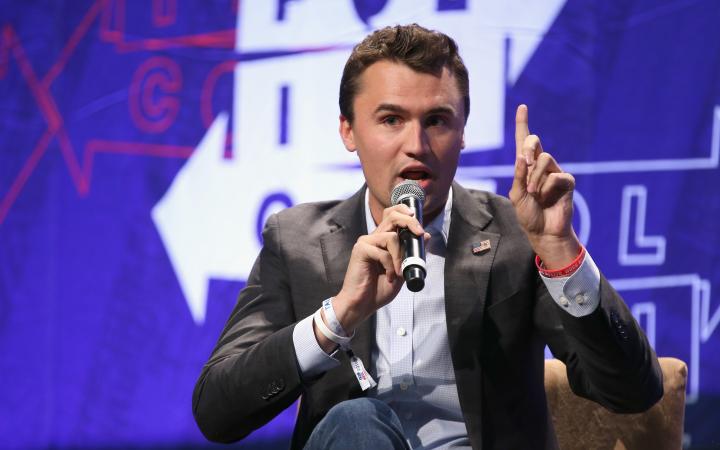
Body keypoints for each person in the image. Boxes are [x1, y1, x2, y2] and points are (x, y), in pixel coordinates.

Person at [192, 24, 663, 450]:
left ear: (462, 134)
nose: (416, 145)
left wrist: (560, 253)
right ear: (348, 130)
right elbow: (217, 412)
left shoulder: (517, 235)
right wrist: (337, 318)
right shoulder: (296, 241)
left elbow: (634, 390)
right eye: (391, 119)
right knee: (358, 421)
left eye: (436, 121)